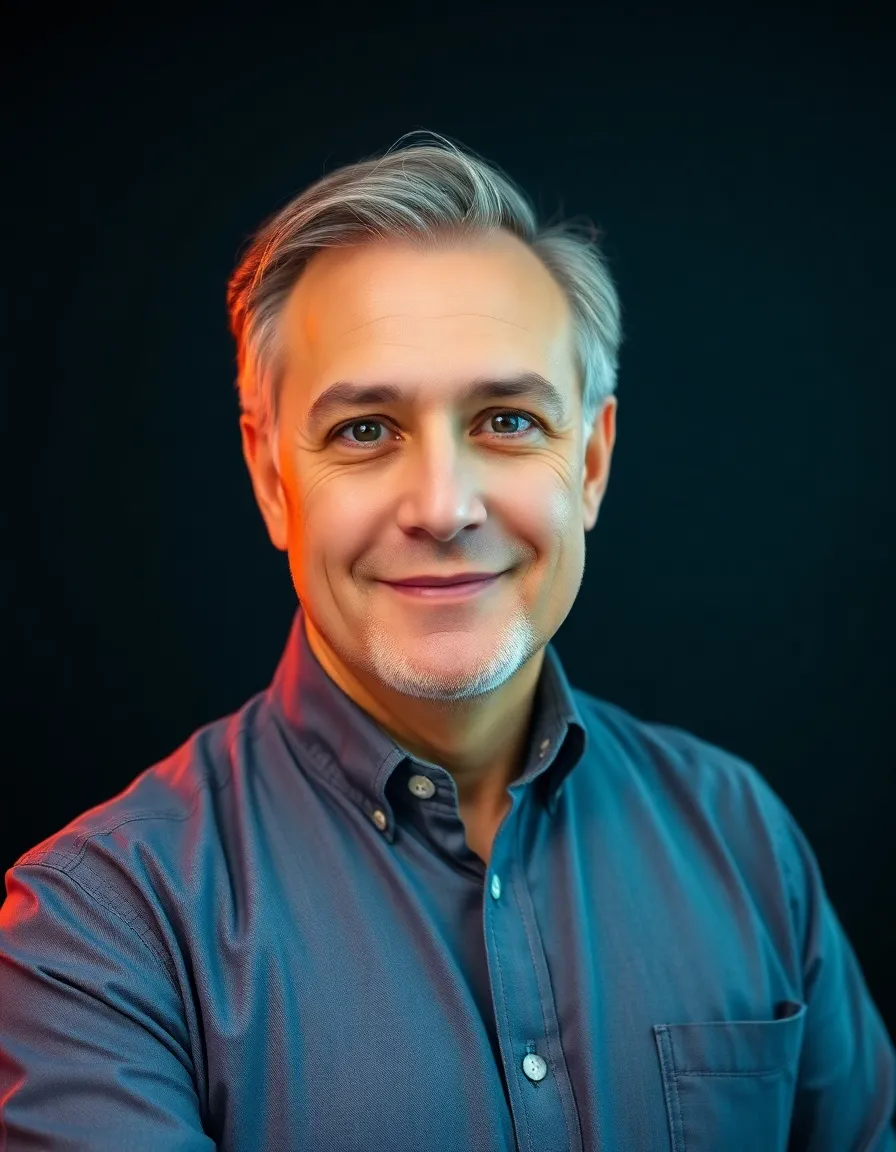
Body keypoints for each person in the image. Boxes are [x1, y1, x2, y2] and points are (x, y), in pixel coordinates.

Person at [1, 130, 894, 1152]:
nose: (441, 506)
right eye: (364, 431)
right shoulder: (96, 935)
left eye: (507, 420)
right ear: (267, 476)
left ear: (591, 463)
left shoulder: (740, 837)